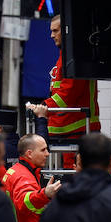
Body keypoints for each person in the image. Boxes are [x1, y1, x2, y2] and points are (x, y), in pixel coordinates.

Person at [25, 14, 100, 143]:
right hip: (69, 130)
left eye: (55, 30)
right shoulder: (66, 57)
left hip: (79, 132)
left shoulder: (76, 58)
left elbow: (67, 94)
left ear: (66, 30)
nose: (51, 35)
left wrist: (43, 107)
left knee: (76, 164)